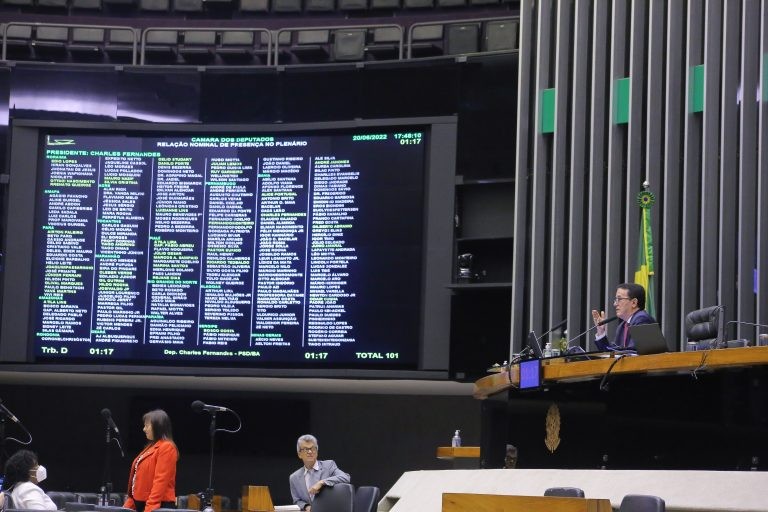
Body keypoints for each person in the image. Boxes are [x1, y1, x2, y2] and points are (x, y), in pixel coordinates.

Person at [123, 409, 179, 512]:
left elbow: (160, 480)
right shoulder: (150, 446)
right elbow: (136, 479)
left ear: (158, 426)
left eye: (147, 426)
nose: (144, 429)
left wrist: (150, 508)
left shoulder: (167, 447)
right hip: (140, 504)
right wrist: (129, 504)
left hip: (157, 505)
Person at [289, 434, 350, 512]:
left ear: (317, 451)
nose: (310, 451)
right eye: (306, 449)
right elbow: (297, 501)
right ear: (299, 454)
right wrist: (306, 506)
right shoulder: (294, 477)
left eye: (313, 448)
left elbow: (346, 477)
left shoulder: (329, 466)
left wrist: (322, 482)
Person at [591, 282, 655, 351]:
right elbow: (612, 353)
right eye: (616, 300)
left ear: (634, 303)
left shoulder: (642, 319)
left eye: (619, 299)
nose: (615, 304)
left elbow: (632, 352)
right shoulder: (622, 326)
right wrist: (601, 331)